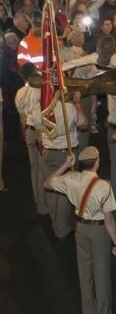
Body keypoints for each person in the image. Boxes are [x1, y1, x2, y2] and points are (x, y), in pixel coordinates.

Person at [44, 146, 116, 314]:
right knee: (101, 275)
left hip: (80, 228)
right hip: (98, 230)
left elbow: (47, 183)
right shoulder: (104, 186)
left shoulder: (71, 179)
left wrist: (64, 165)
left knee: (84, 274)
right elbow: (109, 220)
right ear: (97, 163)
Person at [33, 93, 87, 239]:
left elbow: (37, 133)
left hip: (48, 153)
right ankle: (62, 228)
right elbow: (84, 125)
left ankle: (56, 222)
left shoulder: (39, 108)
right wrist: (77, 104)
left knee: (51, 189)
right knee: (63, 192)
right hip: (67, 155)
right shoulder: (69, 108)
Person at [15, 62, 47, 215]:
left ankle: (38, 202)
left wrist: (26, 134)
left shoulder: (20, 93)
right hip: (41, 132)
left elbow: (22, 118)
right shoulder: (41, 91)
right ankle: (45, 203)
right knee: (43, 168)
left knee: (34, 168)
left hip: (29, 131)